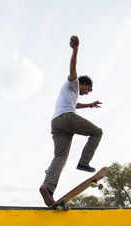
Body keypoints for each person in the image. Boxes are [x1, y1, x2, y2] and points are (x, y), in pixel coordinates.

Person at [39, 35, 103, 206]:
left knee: (60, 157)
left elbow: (76, 104)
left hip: (57, 124)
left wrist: (89, 105)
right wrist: (75, 51)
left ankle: (48, 188)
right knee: (97, 132)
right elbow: (73, 69)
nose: (86, 93)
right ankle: (84, 162)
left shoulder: (71, 95)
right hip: (67, 119)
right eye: (87, 90)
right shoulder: (73, 83)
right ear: (82, 84)